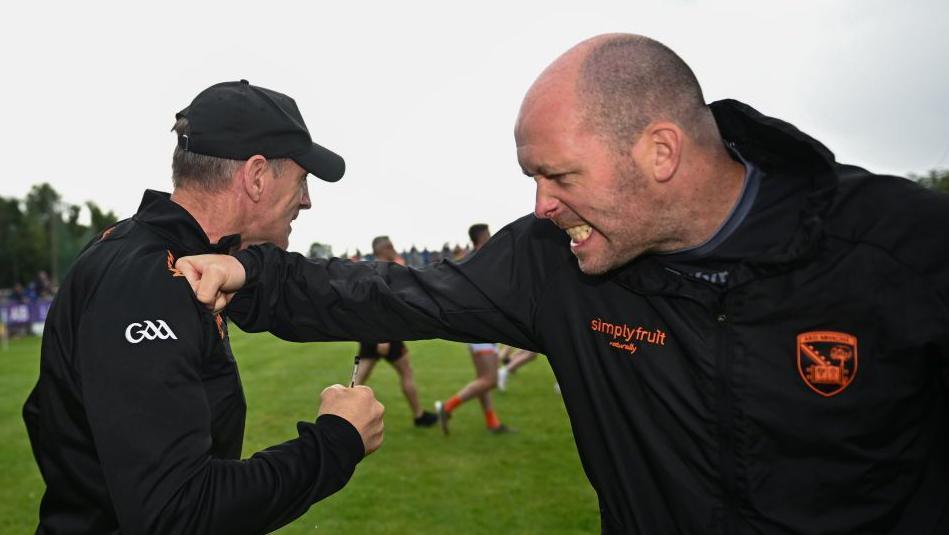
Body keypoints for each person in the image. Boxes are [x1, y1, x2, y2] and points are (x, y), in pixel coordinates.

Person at [177, 34, 949, 534]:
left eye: (558, 174)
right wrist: (254, 275)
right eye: (531, 176)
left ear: (659, 151)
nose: (540, 205)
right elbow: (395, 293)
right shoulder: (551, 262)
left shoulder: (897, 248)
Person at [22, 80, 385, 535]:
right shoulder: (150, 278)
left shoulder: (169, 255)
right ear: (255, 176)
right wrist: (336, 442)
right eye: (302, 180)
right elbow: (177, 511)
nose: (307, 200)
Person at [434, 224, 512, 435]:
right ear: (482, 237)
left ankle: (492, 422)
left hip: (482, 327)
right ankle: (447, 407)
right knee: (490, 380)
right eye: (489, 234)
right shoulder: (482, 260)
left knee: (483, 380)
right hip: (482, 328)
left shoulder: (476, 259)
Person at [355, 236, 437, 427]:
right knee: (406, 372)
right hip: (385, 333)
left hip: (370, 332)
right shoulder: (384, 271)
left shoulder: (367, 270)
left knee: (360, 377)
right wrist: (383, 339)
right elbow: (380, 306)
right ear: (386, 248)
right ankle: (418, 416)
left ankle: (341, 416)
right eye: (392, 246)